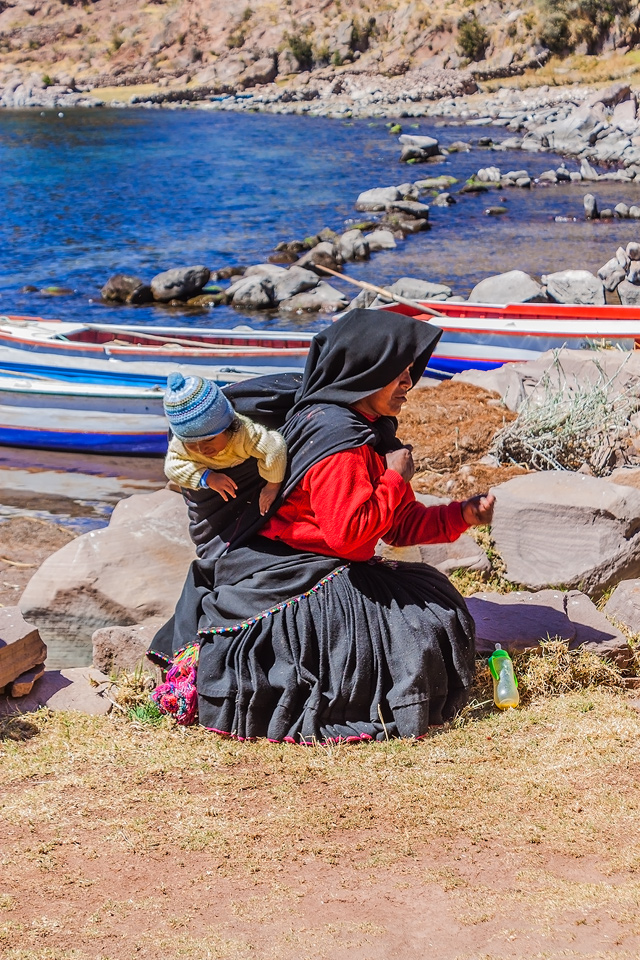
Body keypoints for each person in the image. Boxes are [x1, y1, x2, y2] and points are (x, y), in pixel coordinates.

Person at [149, 309, 494, 743]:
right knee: (423, 627)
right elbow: (350, 539)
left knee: (432, 599)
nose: (409, 384)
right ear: (368, 373)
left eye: (410, 374)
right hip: (296, 576)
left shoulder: (365, 432)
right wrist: (393, 478)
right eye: (399, 375)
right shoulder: (340, 444)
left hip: (320, 563)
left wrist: (461, 515)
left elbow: (397, 525)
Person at [163, 371, 287, 516]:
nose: (201, 449)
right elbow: (172, 468)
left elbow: (275, 448)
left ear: (228, 426)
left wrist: (272, 486)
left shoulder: (244, 434)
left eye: (209, 439)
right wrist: (208, 478)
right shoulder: (181, 444)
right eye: (191, 443)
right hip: (214, 482)